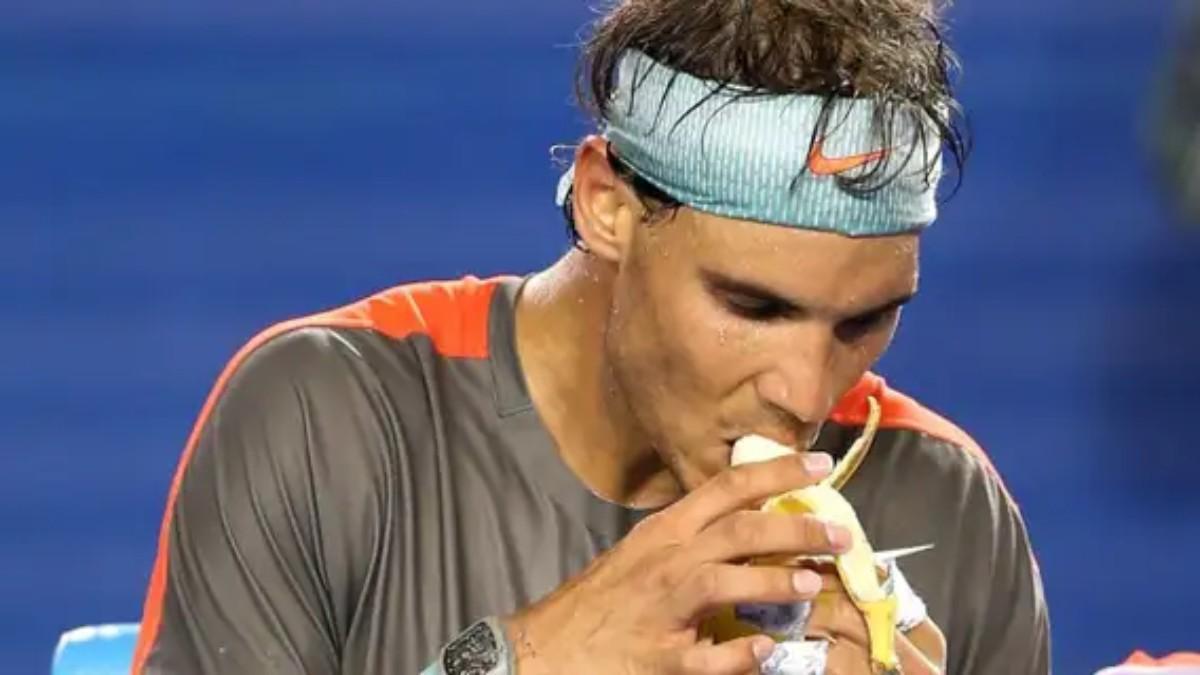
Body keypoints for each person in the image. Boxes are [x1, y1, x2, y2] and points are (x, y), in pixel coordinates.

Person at [131, 0, 1051, 673]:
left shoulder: (949, 507)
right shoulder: (322, 418)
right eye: (752, 307)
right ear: (608, 204)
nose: (808, 392)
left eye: (863, 321)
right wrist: (518, 663)